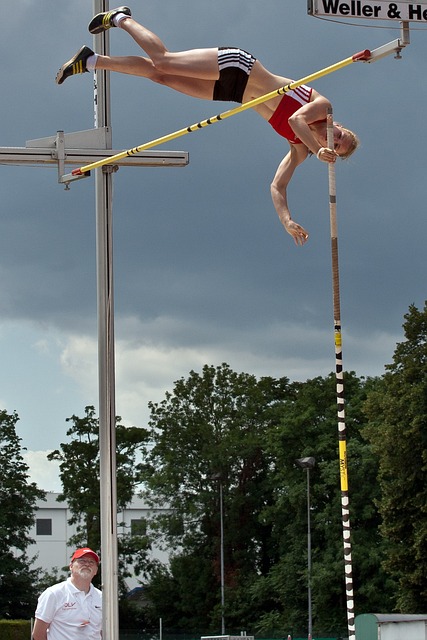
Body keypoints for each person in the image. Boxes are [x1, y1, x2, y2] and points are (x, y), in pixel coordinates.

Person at [56, 6, 359, 246]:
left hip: (233, 93)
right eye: (340, 135)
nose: (333, 139)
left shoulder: (300, 150)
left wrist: (286, 220)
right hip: (241, 67)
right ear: (339, 126)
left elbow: (277, 185)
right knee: (163, 60)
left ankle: (92, 60)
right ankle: (121, 18)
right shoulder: (323, 108)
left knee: (160, 76)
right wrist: (319, 149)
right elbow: (295, 119)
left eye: (336, 145)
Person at [32, 547, 102, 640]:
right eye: (82, 561)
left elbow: (103, 632)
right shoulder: (54, 594)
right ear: (71, 566)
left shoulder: (102, 598)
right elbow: (38, 634)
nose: (87, 564)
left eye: (91, 562)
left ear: (96, 570)